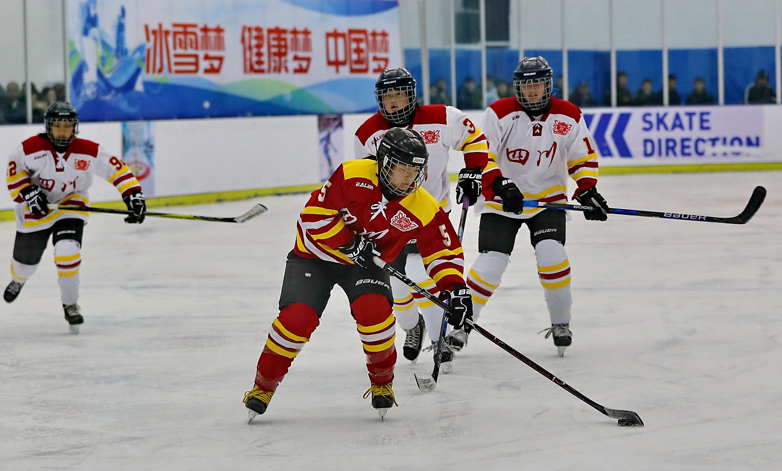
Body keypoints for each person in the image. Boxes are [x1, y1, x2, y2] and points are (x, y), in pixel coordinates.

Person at [243, 128, 472, 421]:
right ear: (384, 163)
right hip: (315, 256)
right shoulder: (353, 174)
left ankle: (382, 384)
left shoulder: (423, 205)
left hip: (365, 265)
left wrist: (454, 288)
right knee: (297, 319)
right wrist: (350, 243)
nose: (408, 178)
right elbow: (313, 215)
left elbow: (443, 252)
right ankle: (263, 386)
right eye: (401, 169)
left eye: (414, 171)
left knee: (374, 314)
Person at [466, 56, 610, 357]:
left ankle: (561, 322)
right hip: (502, 199)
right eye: (526, 85)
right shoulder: (500, 112)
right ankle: (461, 325)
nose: (532, 91)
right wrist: (500, 183)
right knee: (490, 263)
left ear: (549, 85)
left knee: (551, 254)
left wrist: (586, 189)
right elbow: (483, 153)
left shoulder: (568, 114)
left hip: (548, 199)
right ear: (517, 87)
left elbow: (581, 158)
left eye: (538, 84)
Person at [354, 68, 490, 365]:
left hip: (432, 215)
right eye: (387, 96)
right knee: (399, 289)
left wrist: (472, 170)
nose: (393, 103)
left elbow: (476, 140)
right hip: (392, 222)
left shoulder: (444, 118)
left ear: (411, 95)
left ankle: (438, 339)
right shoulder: (367, 134)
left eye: (398, 94)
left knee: (425, 278)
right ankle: (411, 327)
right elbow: (364, 183)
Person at [2, 101, 146, 333]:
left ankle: (70, 304)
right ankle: (18, 279)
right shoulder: (28, 149)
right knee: (24, 265)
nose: (61, 131)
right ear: (48, 126)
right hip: (37, 209)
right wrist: (28, 192)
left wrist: (133, 195)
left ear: (74, 128)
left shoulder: (88, 150)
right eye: (57, 126)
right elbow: (14, 172)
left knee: (68, 250)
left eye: (66, 126)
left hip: (71, 203)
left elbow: (116, 169)